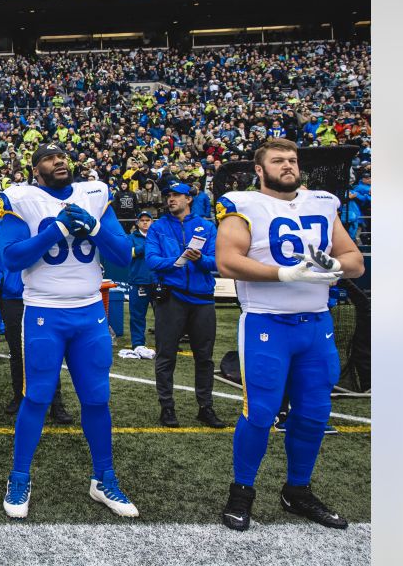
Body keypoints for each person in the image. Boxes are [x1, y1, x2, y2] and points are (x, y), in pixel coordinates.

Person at [216, 138, 364, 531]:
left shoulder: (322, 202)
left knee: (314, 414)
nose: (288, 166)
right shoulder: (241, 204)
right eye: (278, 160)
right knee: (260, 412)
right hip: (267, 322)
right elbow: (227, 260)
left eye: (292, 160)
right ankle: (242, 492)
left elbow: (355, 262)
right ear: (259, 170)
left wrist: (333, 262)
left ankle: (297, 491)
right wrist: (283, 273)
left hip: (316, 324)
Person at [0, 142, 138, 519]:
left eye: (62, 156)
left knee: (96, 397)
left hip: (89, 311)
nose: (58, 161)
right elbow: (10, 257)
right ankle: (19, 476)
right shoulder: (22, 199)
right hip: (44, 311)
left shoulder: (94, 194)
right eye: (48, 158)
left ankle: (103, 478)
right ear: (36, 170)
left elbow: (124, 257)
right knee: (37, 397)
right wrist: (56, 230)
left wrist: (93, 227)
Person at [0, 220, 74, 423]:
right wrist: (1, 279)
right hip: (13, 298)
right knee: (17, 351)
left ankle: (56, 404)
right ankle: (20, 397)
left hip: (43, 297)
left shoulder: (39, 223)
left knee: (49, 351)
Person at [144, 184, 224, 429]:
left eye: (176, 195)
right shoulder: (158, 227)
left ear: (189, 198)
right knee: (166, 355)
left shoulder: (207, 226)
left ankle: (205, 407)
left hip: (202, 298)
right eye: (168, 195)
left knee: (205, 357)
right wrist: (176, 262)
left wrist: (199, 260)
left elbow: (217, 262)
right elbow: (152, 260)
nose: (171, 199)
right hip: (172, 298)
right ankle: (167, 407)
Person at [125, 212, 156, 358]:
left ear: (152, 222)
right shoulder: (131, 238)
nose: (145, 223)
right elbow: (126, 254)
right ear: (137, 223)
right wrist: (143, 248)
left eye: (147, 220)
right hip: (139, 281)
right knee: (137, 315)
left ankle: (166, 343)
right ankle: (138, 344)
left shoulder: (158, 236)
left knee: (164, 315)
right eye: (142, 220)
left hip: (158, 281)